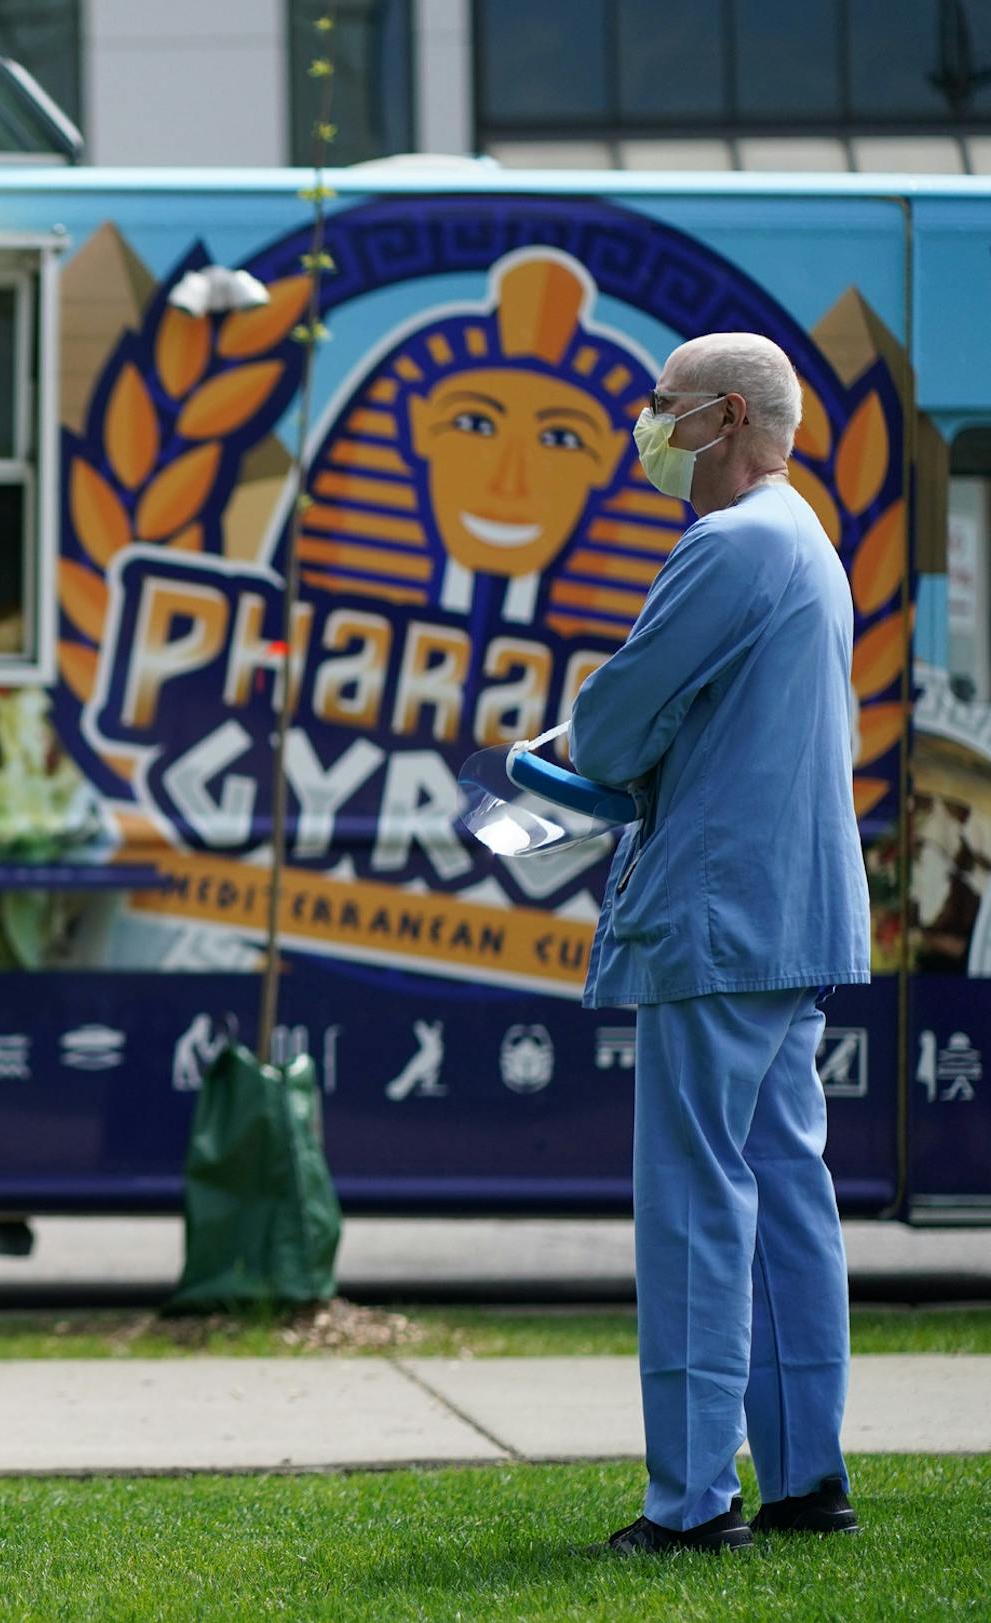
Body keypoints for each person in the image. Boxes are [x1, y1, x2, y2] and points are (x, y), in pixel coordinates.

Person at [569, 333, 869, 1553]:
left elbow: (610, 727)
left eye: (660, 404)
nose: (645, 424)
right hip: (794, 915)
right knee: (790, 1191)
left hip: (718, 914)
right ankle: (809, 1480)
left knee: (697, 1203)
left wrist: (577, 746)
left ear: (725, 414)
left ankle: (690, 1504)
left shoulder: (726, 544)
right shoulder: (804, 537)